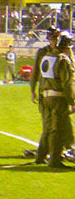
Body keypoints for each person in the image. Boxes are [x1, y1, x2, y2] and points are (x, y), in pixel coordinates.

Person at [34, 30, 74, 168]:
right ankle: (55, 160)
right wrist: (72, 101)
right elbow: (67, 83)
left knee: (48, 128)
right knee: (57, 129)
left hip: (45, 96)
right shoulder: (63, 60)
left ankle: (40, 156)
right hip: (58, 98)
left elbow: (40, 77)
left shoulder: (47, 57)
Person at [30, 27, 60, 163]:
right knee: (49, 126)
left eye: (56, 39)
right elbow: (35, 72)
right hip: (46, 92)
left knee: (54, 126)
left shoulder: (61, 52)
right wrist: (33, 90)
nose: (54, 41)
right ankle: (45, 155)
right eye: (52, 39)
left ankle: (49, 153)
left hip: (56, 93)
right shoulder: (42, 52)